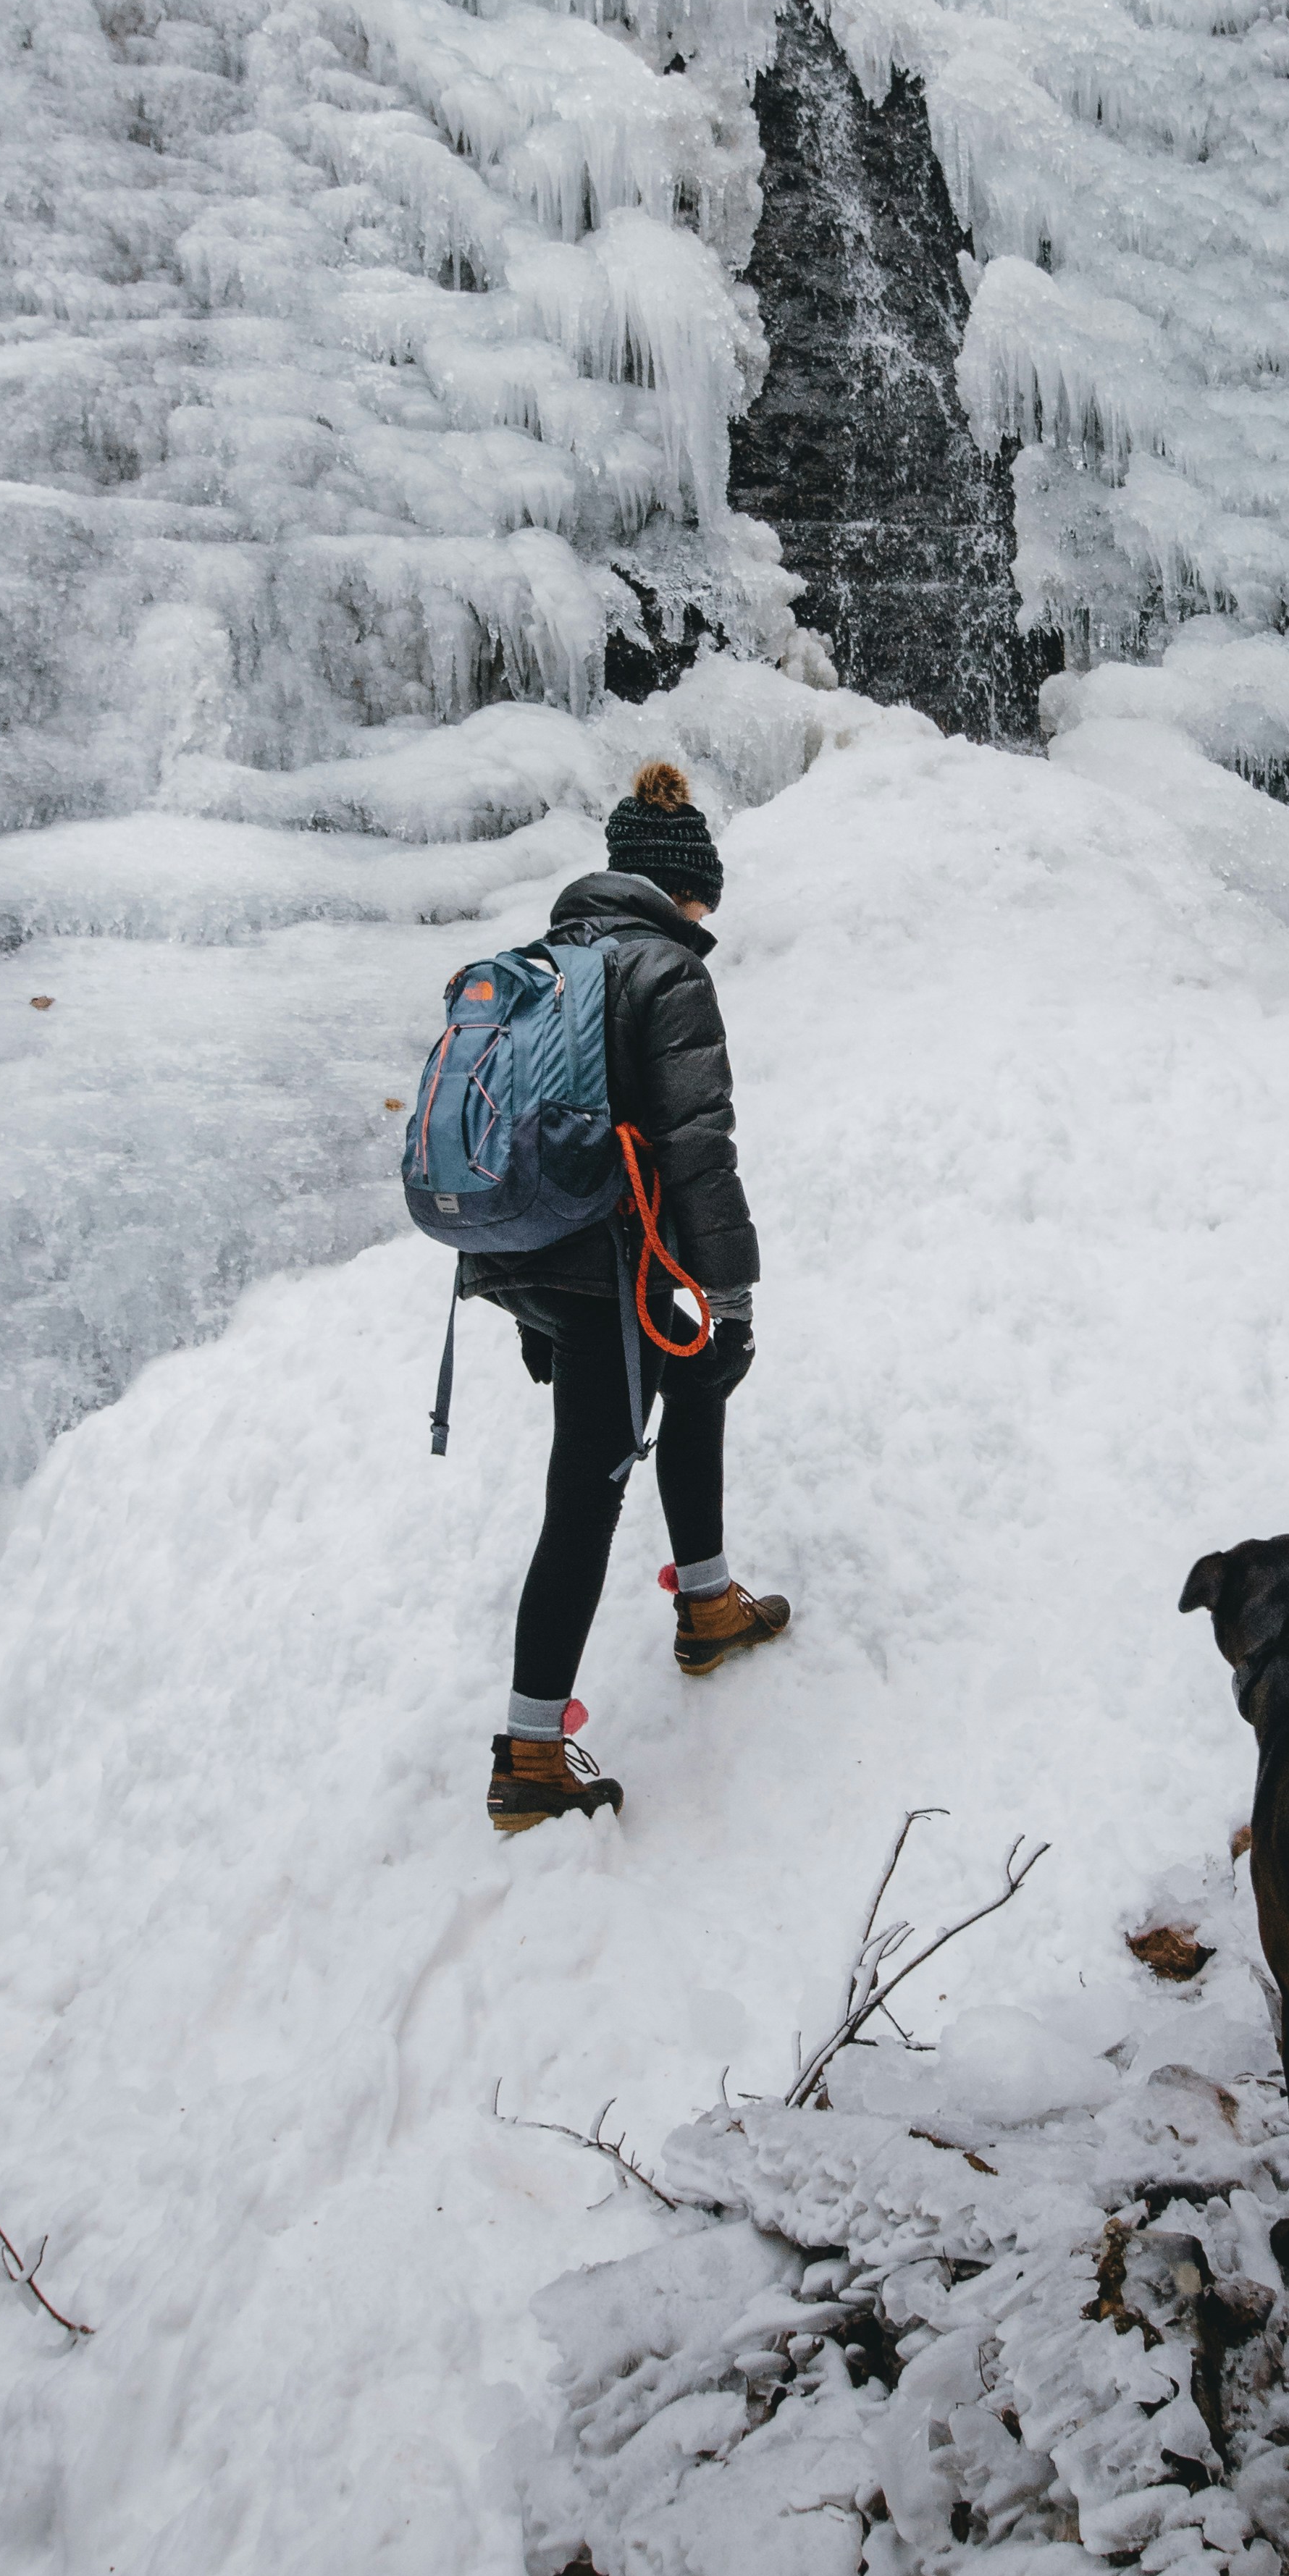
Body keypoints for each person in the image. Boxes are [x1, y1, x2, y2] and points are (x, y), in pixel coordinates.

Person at [465, 761, 790, 1832]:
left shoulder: (546, 963)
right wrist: (733, 1291)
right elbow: (700, 1147)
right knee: (586, 1494)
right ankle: (529, 1753)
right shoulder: (665, 971)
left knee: (692, 1384)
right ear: (681, 890)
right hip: (609, 1269)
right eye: (704, 898)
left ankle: (706, 1602)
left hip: (533, 1259)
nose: (704, 917)